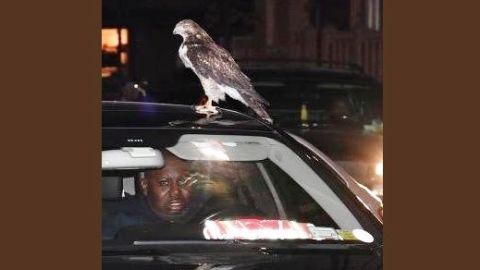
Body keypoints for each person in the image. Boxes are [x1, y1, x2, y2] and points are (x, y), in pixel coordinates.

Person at [102, 151, 197, 239]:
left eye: (183, 181)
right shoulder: (119, 223)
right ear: (145, 186)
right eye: (164, 183)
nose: (175, 192)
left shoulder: (203, 211)